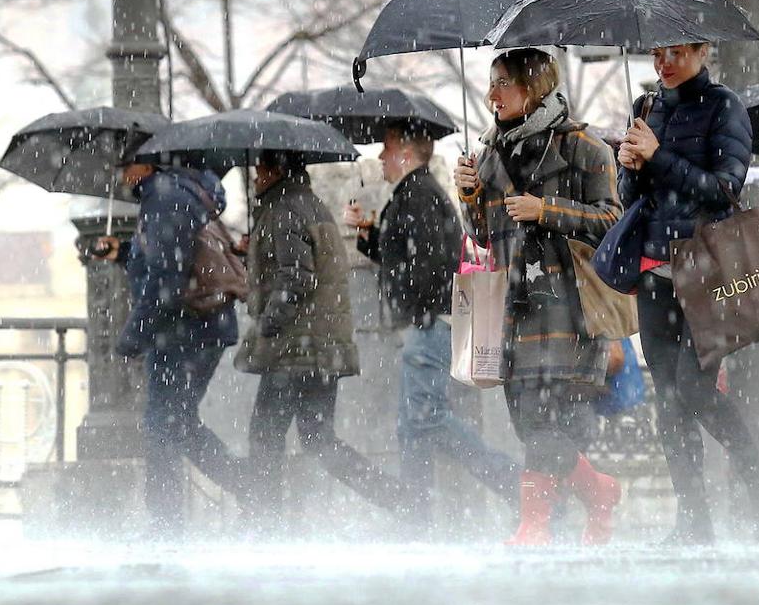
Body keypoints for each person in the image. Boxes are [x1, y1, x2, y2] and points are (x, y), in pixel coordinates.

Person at [453, 48, 624, 546]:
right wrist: (469, 198)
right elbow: (484, 237)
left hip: (568, 307)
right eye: (490, 84)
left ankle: (536, 525)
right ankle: (598, 494)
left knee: (542, 419)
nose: (491, 95)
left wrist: (545, 209)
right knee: (529, 424)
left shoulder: (584, 147)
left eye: (503, 83)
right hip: (512, 306)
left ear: (534, 85)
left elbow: (610, 221)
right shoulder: (487, 155)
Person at [617, 42, 759, 545]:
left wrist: (658, 157)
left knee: (694, 391)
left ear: (704, 51)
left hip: (707, 271)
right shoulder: (645, 109)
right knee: (668, 403)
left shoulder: (724, 105)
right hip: (653, 272)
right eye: (658, 54)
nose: (664, 63)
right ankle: (694, 519)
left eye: (678, 53)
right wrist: (629, 166)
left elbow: (725, 188)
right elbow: (631, 199)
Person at [344, 124, 520, 529]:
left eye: (386, 149)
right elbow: (403, 255)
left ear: (407, 152)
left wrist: (419, 313)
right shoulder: (413, 193)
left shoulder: (418, 195)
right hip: (430, 322)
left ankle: (515, 486)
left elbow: (426, 265)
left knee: (427, 419)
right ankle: (415, 517)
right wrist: (368, 232)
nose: (380, 158)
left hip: (431, 325)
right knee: (413, 428)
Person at [235, 150, 404, 534]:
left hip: (297, 347)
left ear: (277, 169)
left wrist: (267, 323)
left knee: (265, 435)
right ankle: (403, 501)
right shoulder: (308, 205)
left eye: (261, 167)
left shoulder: (283, 210)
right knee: (319, 440)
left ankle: (264, 522)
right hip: (321, 346)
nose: (256, 175)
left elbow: (297, 276)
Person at [96, 159, 243, 540]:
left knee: (163, 428)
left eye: (125, 163)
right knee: (178, 425)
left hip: (183, 332)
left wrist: (133, 335)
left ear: (144, 164)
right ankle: (254, 491)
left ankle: (167, 527)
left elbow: (168, 278)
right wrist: (125, 253)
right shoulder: (183, 192)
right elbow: (172, 256)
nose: (120, 173)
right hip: (199, 327)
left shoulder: (165, 197)